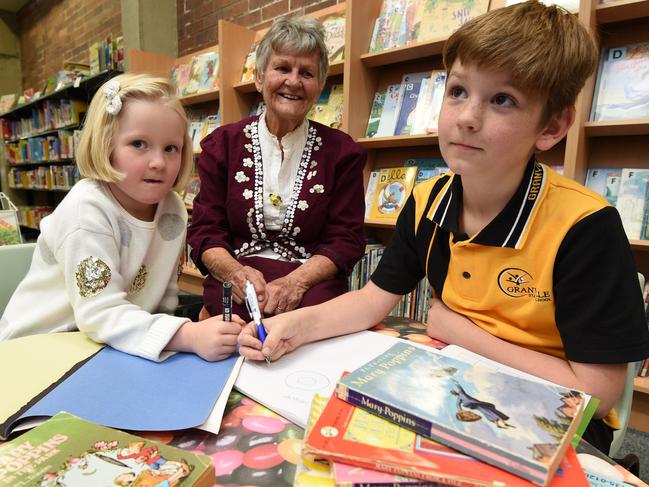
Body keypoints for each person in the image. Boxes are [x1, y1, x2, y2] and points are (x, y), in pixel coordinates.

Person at [239, 1, 649, 454]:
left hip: (555, 417)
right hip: (454, 383)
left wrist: (458, 331)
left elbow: (597, 391)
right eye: (457, 91)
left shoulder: (585, 227)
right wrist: (294, 325)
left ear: (552, 126)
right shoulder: (426, 200)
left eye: (502, 100)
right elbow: (371, 300)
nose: (467, 117)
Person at [0, 73, 245, 362]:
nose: (158, 163)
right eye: (139, 144)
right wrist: (188, 336)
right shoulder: (87, 208)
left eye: (171, 148)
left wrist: (177, 330)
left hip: (108, 344)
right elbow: (99, 312)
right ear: (106, 145)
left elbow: (162, 295)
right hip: (39, 351)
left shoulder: (172, 208)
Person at [187, 16, 366, 319]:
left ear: (320, 85)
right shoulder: (222, 145)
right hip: (239, 276)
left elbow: (345, 239)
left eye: (306, 73)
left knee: (311, 325)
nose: (293, 81)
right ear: (259, 77)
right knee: (227, 317)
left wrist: (296, 282)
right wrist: (236, 273)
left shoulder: (343, 153)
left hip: (310, 282)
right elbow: (206, 230)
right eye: (282, 68)